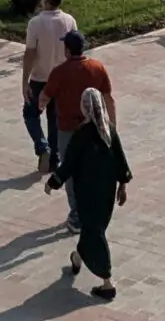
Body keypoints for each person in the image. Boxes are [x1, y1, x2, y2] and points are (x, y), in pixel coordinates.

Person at [46, 86, 131, 301]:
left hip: (86, 195)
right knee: (94, 230)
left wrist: (52, 182)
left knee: (95, 233)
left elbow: (69, 164)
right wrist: (122, 186)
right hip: (106, 195)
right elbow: (121, 161)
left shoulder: (82, 135)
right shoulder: (109, 131)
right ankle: (77, 258)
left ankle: (107, 282)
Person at [42, 28, 114, 233]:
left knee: (71, 172)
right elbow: (109, 98)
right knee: (90, 170)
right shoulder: (97, 68)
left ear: (67, 50)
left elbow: (44, 98)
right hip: (94, 129)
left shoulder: (59, 72)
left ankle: (76, 215)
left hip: (67, 129)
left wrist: (40, 104)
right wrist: (112, 126)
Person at [20, 0, 77, 174]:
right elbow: (74, 50)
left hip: (39, 78)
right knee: (55, 118)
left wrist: (24, 81)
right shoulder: (69, 21)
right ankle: (54, 159)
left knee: (30, 113)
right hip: (61, 78)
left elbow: (30, 53)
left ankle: (42, 147)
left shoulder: (35, 23)